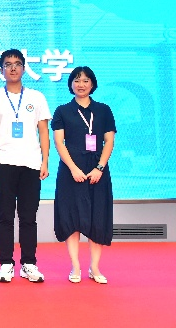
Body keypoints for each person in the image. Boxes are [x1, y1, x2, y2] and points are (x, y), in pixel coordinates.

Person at [0, 49, 51, 283]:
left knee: (28, 217)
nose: (13, 68)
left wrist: (44, 161)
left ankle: (29, 263)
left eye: (17, 64)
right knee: (5, 216)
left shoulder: (36, 97)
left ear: (24, 68)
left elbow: (43, 131)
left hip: (31, 163)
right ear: (1, 69)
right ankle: (6, 263)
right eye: (8, 64)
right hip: (3, 162)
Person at [52, 66, 116, 284]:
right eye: (77, 80)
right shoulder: (62, 111)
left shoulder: (104, 110)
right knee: (72, 218)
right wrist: (73, 168)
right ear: (71, 84)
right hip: (71, 170)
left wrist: (100, 168)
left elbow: (109, 141)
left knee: (98, 217)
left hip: (97, 170)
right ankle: (76, 266)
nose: (81, 84)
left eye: (86, 80)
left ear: (93, 84)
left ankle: (94, 268)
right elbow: (59, 142)